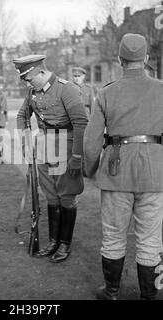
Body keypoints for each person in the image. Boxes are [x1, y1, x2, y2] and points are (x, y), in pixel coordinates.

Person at [84, 33, 163, 300]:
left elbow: (92, 140)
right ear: (147, 59)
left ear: (120, 60)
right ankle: (148, 296)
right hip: (155, 173)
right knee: (150, 239)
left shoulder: (106, 92)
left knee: (114, 236)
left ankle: (112, 291)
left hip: (116, 172)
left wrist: (90, 169)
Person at [14, 54, 88, 263]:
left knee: (67, 196)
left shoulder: (67, 89)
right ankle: (53, 241)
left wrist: (76, 156)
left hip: (66, 146)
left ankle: (64, 243)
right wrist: (25, 140)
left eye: (28, 78)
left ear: (40, 71)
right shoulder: (33, 92)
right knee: (51, 196)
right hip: (44, 147)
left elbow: (81, 123)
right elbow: (22, 116)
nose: (27, 83)